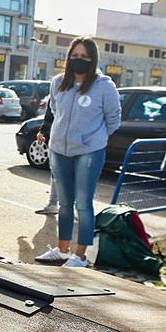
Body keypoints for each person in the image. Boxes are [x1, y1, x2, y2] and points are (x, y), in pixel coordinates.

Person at [35, 37, 121, 267]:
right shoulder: (57, 82)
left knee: (83, 203)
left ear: (92, 60)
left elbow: (114, 119)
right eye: (75, 56)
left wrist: (94, 138)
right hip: (59, 149)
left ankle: (80, 256)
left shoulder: (104, 86)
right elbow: (55, 110)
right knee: (64, 203)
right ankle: (62, 250)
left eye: (84, 57)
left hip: (89, 152)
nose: (78, 61)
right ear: (68, 58)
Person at [34, 103, 59, 214]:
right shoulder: (57, 87)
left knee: (76, 175)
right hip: (58, 139)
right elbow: (50, 113)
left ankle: (78, 208)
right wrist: (43, 130)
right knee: (55, 171)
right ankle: (53, 203)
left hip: (78, 143)